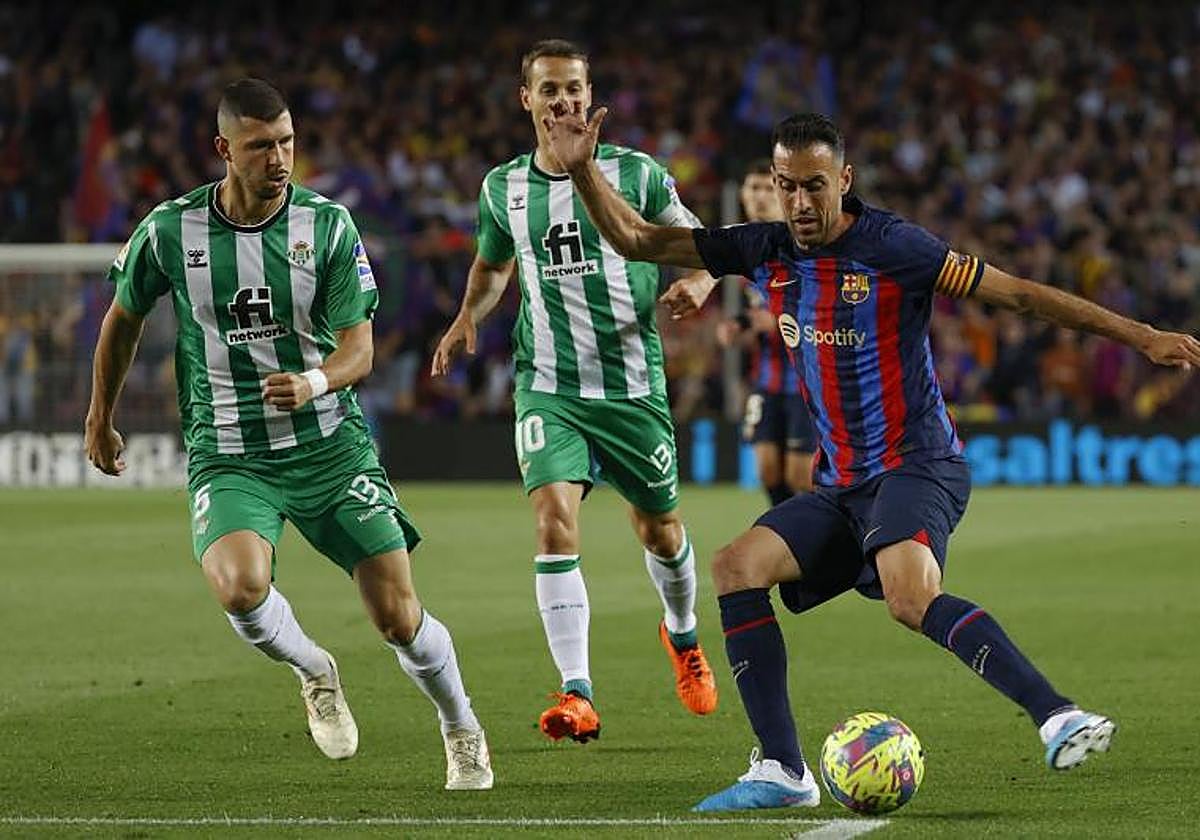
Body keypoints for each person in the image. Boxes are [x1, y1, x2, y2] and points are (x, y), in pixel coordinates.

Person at [543, 107, 1200, 808]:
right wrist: (582, 170)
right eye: (787, 186)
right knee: (737, 566)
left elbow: (1022, 296)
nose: (800, 202)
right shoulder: (764, 249)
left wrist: (1142, 336)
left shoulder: (895, 247)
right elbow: (638, 239)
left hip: (918, 464)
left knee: (907, 597)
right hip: (843, 485)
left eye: (815, 185)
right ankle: (783, 771)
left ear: (844, 180)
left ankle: (1057, 714)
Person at [84, 78, 493, 791]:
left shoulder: (327, 226)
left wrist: (313, 382)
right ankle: (314, 669)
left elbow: (360, 350)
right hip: (230, 451)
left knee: (397, 617)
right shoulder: (171, 230)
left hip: (329, 446)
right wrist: (100, 415)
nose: (278, 159)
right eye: (260, 147)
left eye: (287, 142)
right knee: (239, 588)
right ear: (223, 149)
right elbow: (123, 317)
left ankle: (460, 726)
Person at [431, 39, 718, 743]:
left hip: (632, 387)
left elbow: (702, 244)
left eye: (574, 90)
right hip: (548, 386)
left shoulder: (637, 174)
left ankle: (682, 635)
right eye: (550, 90)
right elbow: (493, 266)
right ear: (526, 99)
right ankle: (577, 690)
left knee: (660, 530)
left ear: (590, 98)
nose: (563, 101)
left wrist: (699, 282)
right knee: (553, 520)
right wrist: (469, 315)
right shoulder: (503, 188)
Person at [716, 160, 816, 506]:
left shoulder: (802, 242)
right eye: (752, 188)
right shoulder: (747, 247)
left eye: (766, 188)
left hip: (806, 381)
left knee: (801, 476)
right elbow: (760, 305)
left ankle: (825, 531)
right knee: (768, 470)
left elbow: (818, 306)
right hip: (767, 379)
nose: (758, 196)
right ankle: (790, 532)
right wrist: (739, 324)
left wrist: (778, 321)